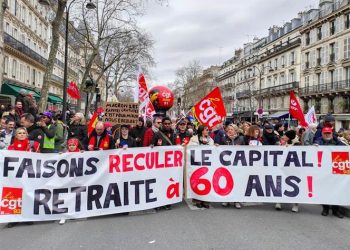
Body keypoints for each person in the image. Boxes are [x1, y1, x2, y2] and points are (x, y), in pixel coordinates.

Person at [314, 127, 345, 218]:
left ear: (331, 133)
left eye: (329, 133)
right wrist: (315, 147)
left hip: (335, 169)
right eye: (325, 133)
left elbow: (345, 150)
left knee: (337, 190)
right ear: (322, 134)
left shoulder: (337, 141)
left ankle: (336, 210)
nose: (327, 135)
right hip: (324, 170)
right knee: (325, 190)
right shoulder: (319, 141)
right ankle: (326, 209)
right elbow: (315, 147)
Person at [219, 123, 245, 209]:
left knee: (237, 182)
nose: (229, 131)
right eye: (228, 129)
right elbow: (219, 149)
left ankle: (237, 200)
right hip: (227, 164)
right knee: (227, 181)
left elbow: (247, 150)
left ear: (235, 130)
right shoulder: (223, 139)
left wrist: (240, 148)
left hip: (238, 164)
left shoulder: (241, 139)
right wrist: (216, 146)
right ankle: (227, 199)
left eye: (231, 129)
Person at [189, 125, 214, 209]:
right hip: (197, 164)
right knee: (197, 181)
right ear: (201, 131)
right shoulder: (194, 139)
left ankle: (206, 200)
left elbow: (213, 150)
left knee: (207, 181)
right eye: (206, 130)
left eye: (208, 130)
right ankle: (197, 200)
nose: (208, 131)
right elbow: (190, 149)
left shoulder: (210, 140)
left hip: (207, 165)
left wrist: (216, 147)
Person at [275, 129, 300, 212]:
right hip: (281, 167)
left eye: (285, 135)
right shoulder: (280, 143)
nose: (283, 136)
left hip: (293, 168)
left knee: (294, 185)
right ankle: (278, 201)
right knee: (280, 183)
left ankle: (295, 204)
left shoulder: (297, 144)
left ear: (288, 138)